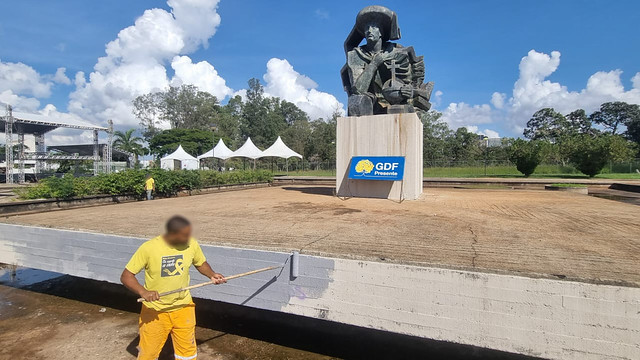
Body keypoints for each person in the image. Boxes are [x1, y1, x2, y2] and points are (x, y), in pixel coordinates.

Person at [120, 215, 226, 360]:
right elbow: (126, 276)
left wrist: (212, 274)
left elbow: (200, 263)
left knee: (187, 353)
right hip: (155, 311)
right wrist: (143, 291)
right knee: (148, 354)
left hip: (184, 308)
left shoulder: (191, 244)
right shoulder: (149, 248)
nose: (188, 239)